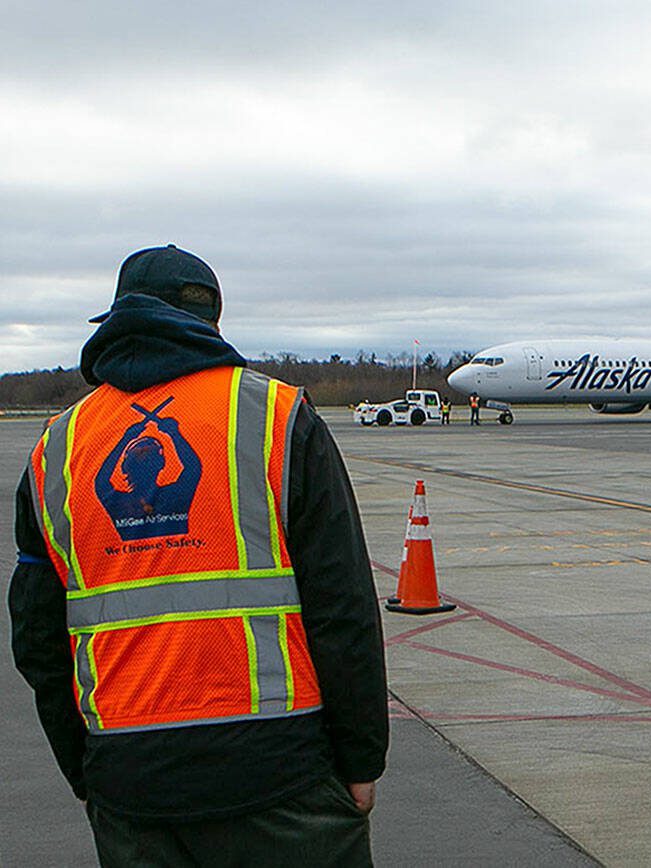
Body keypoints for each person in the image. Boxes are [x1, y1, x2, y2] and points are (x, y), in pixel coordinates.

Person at [9, 245, 389, 866]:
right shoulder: (275, 416)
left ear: (114, 319)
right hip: (279, 774)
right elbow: (342, 606)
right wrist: (361, 757)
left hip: (130, 784)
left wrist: (87, 774)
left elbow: (37, 641)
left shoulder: (58, 449)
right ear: (213, 319)